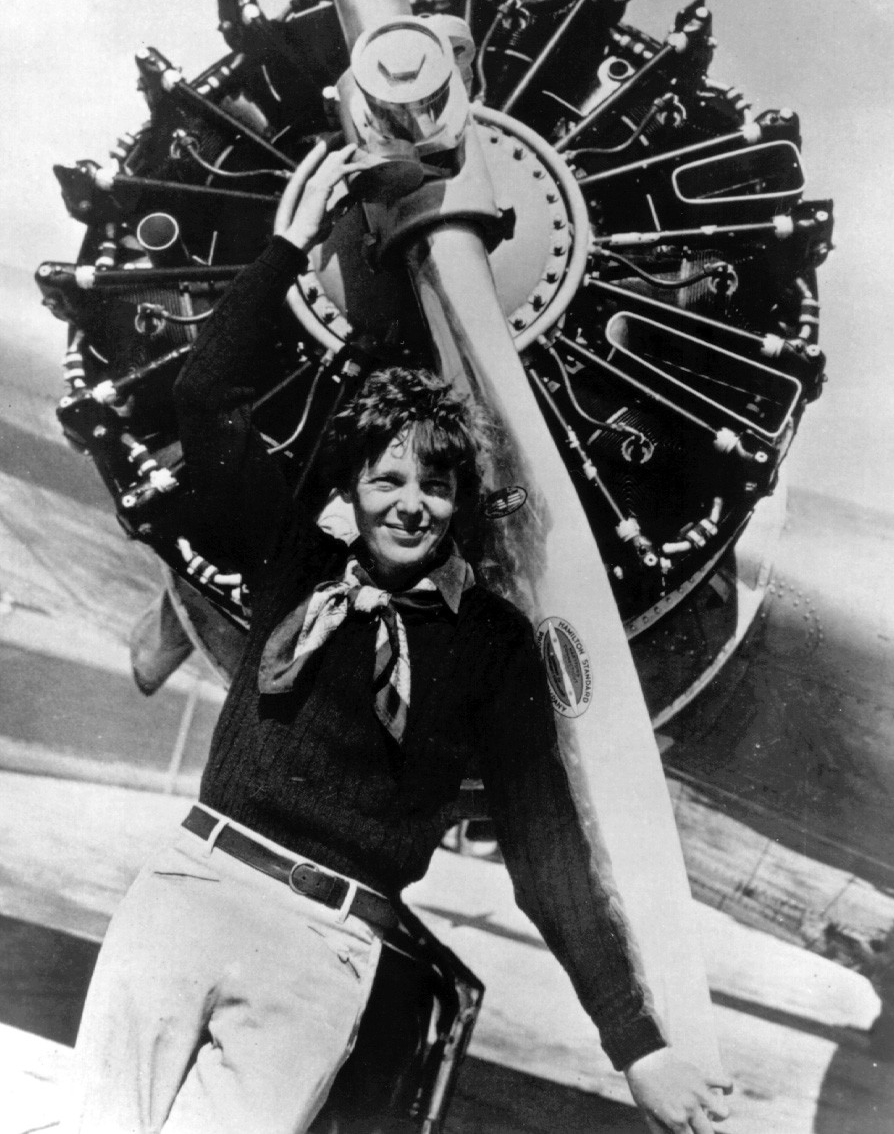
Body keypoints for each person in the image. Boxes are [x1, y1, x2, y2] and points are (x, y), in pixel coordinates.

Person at [67, 142, 732, 1134]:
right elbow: (206, 394)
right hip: (192, 886)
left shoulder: (493, 645)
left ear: (464, 500)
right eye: (388, 477)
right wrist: (290, 246)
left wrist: (639, 1044)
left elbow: (546, 851)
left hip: (326, 944)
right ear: (352, 487)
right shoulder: (292, 558)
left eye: (436, 482)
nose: (410, 504)